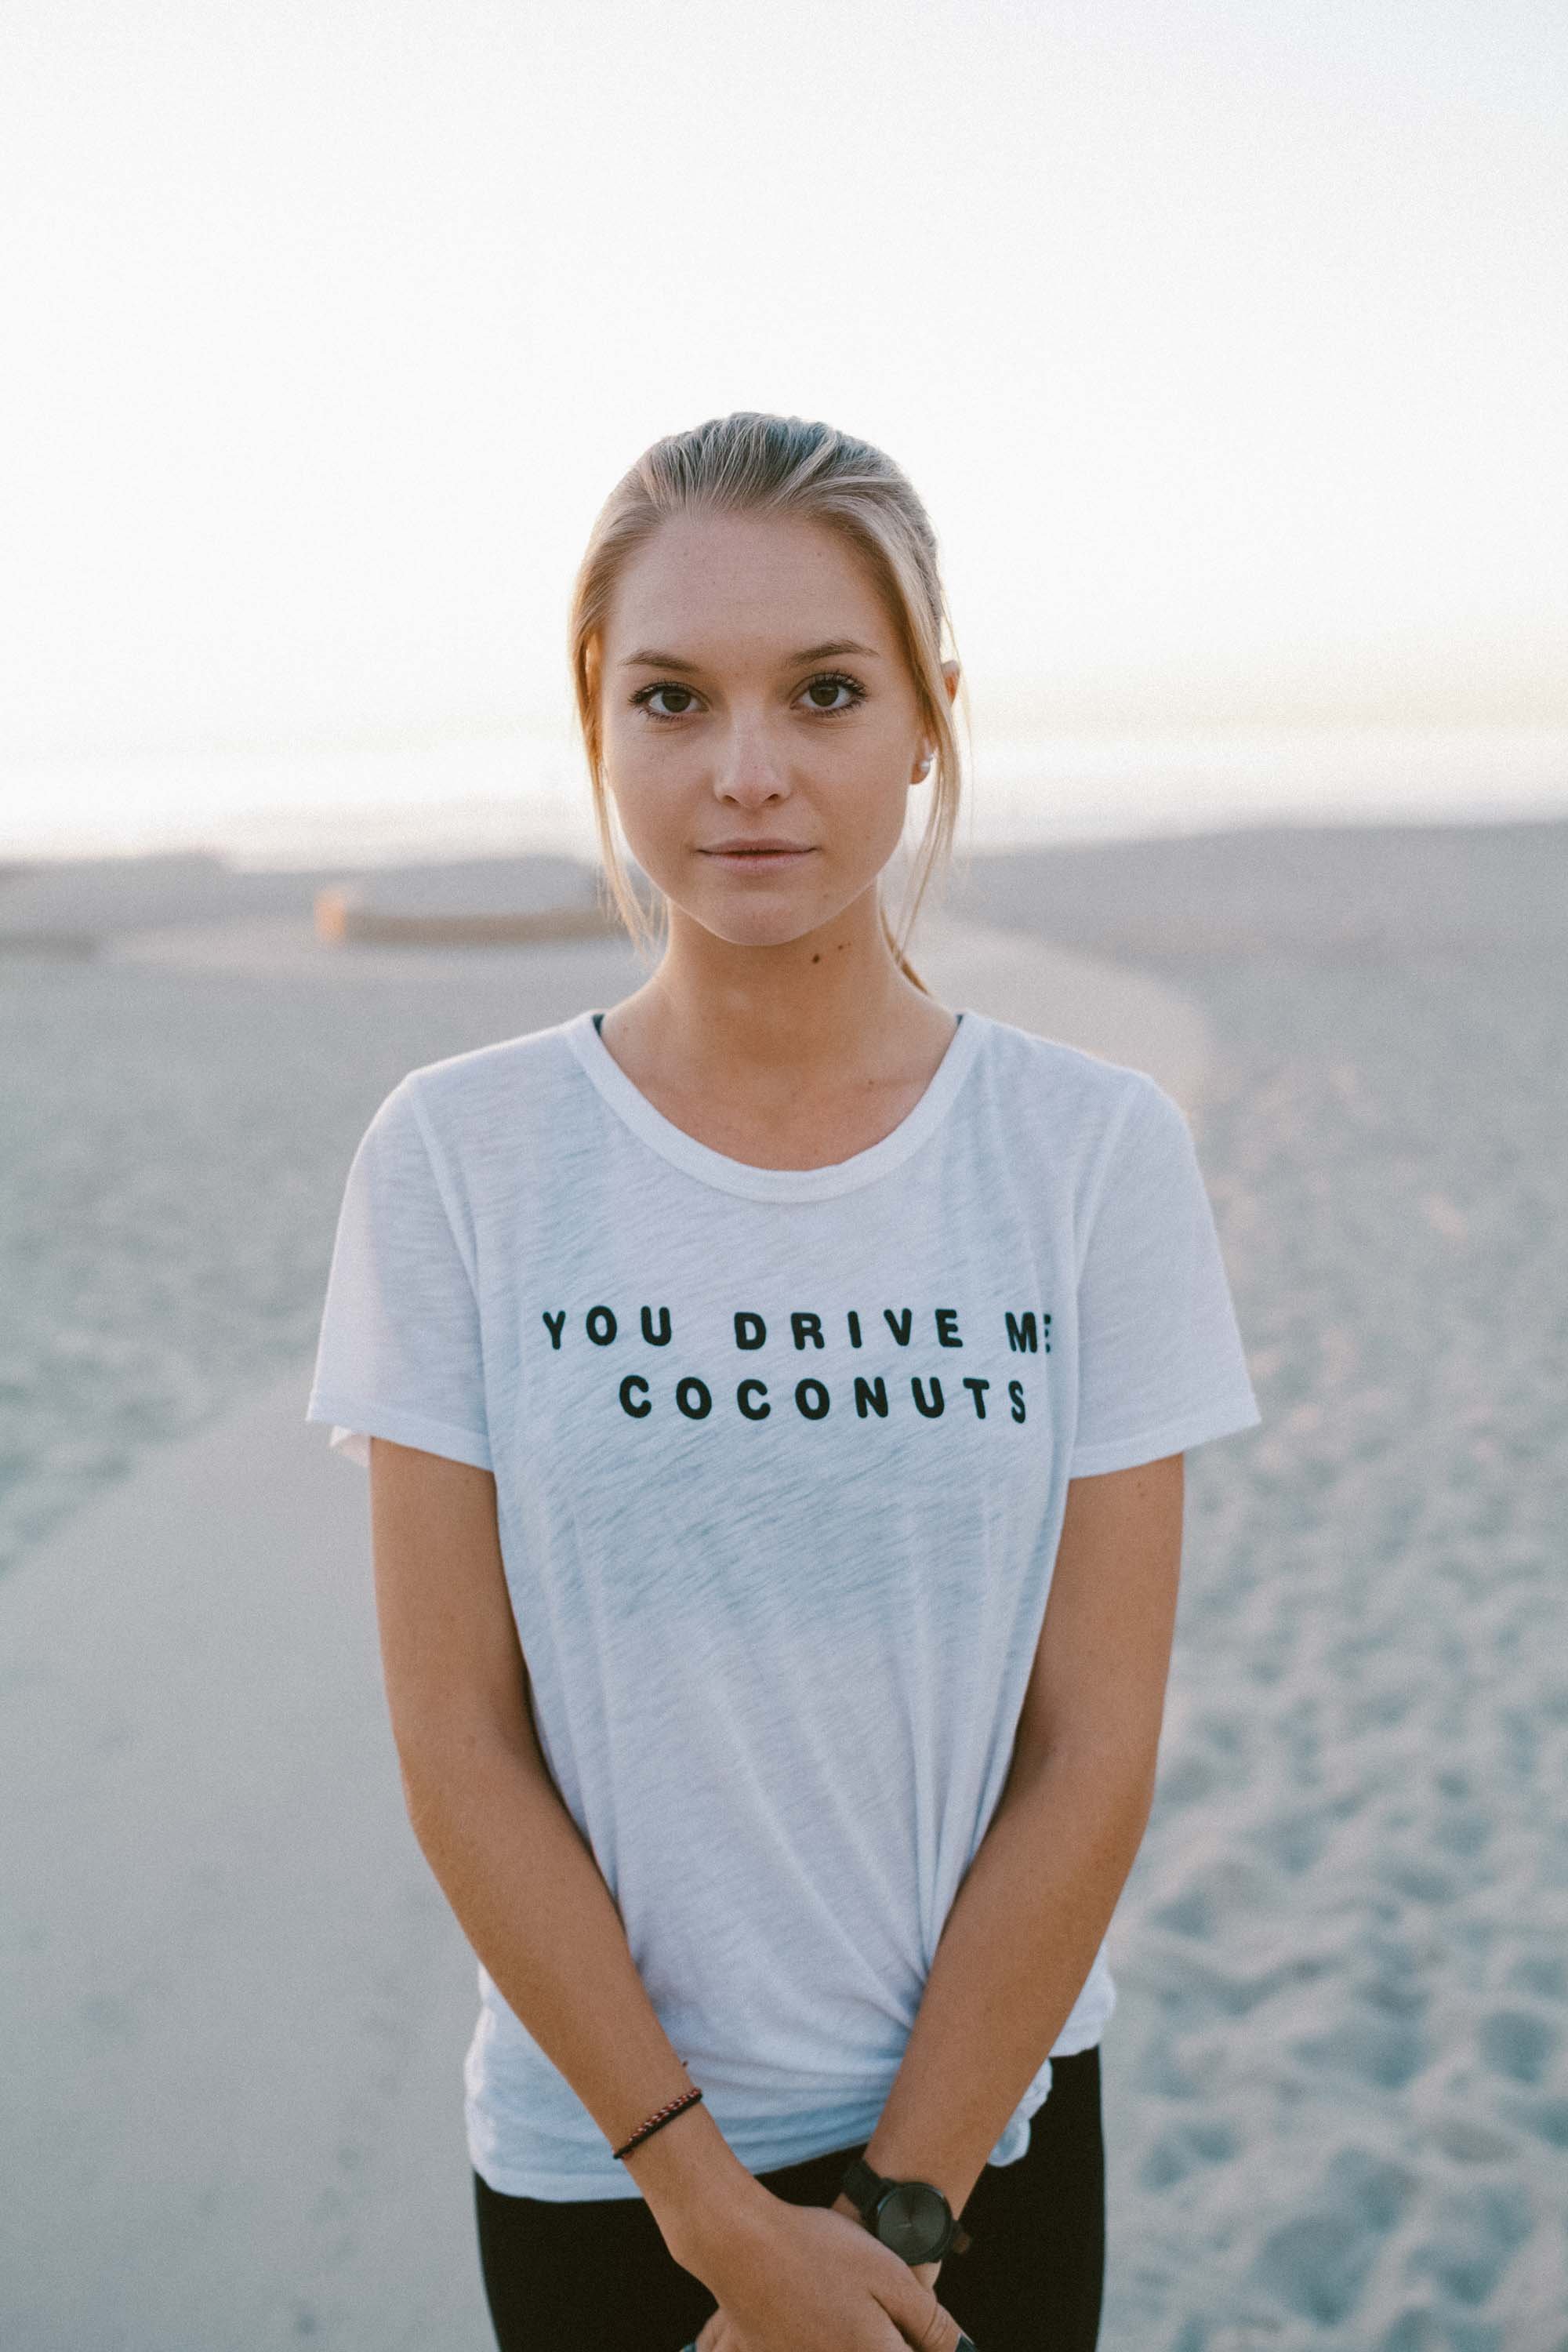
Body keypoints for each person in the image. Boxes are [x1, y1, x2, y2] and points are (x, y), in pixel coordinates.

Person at [305, 410, 1262, 2352]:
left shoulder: (1087, 1157)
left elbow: (1091, 1749)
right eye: (673, 698)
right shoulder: (457, 1157)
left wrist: (891, 2220)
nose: (747, 774)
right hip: (607, 2170)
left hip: (982, 2144)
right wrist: (714, 2217)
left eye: (823, 692)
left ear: (926, 718)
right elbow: (457, 1744)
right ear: (600, 721)